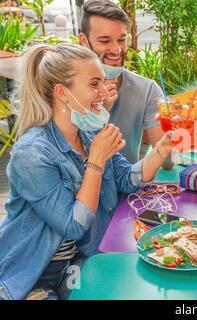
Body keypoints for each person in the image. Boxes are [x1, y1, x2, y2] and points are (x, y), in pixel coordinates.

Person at [0, 43, 174, 300]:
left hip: (81, 261)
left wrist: (163, 147)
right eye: (94, 84)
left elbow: (127, 179)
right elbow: (73, 226)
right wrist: (96, 160)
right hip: (34, 275)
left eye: (104, 82)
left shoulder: (91, 133)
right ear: (62, 93)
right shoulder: (33, 153)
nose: (104, 92)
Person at [78, 0, 171, 166]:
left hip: (129, 189)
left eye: (121, 40)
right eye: (105, 41)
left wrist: (178, 125)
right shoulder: (65, 91)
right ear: (83, 41)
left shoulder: (146, 90)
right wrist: (99, 110)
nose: (116, 50)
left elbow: (167, 161)